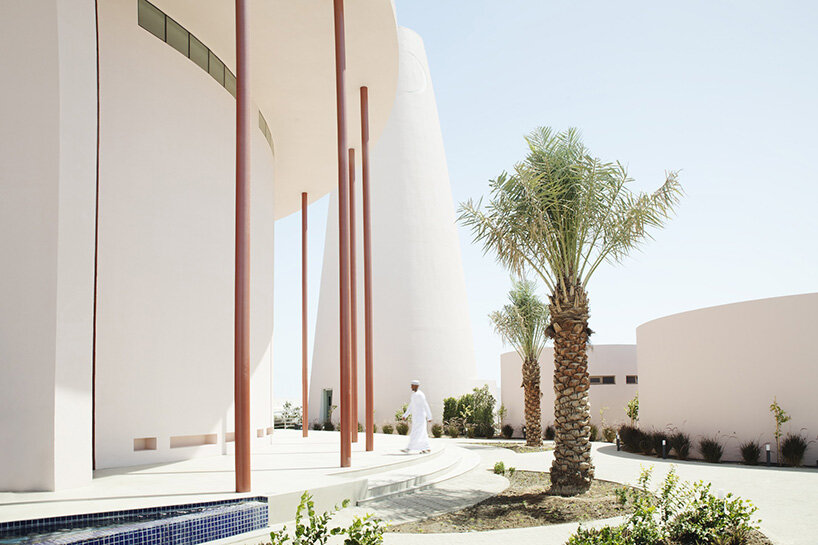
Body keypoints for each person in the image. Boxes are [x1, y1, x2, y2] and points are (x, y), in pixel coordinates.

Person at [401, 380, 433, 454]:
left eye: (412, 385)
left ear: (416, 386)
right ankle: (427, 448)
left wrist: (429, 417)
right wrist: (405, 415)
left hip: (420, 417)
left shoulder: (420, 395)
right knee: (422, 433)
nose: (411, 387)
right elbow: (411, 406)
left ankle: (409, 448)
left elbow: (425, 405)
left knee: (415, 433)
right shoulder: (414, 395)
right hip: (416, 418)